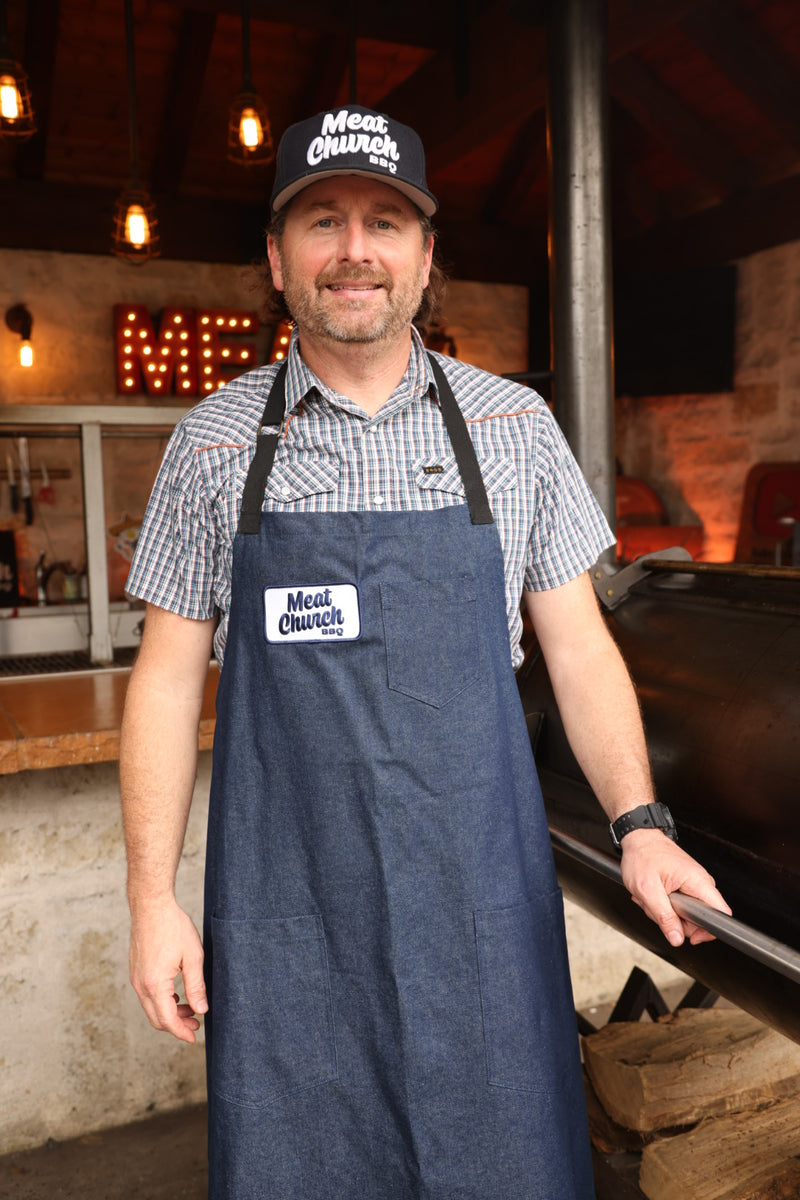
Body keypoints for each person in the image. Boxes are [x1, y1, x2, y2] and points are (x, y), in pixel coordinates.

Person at [120, 104, 730, 1200]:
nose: (354, 248)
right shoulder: (212, 441)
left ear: (425, 254)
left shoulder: (511, 428)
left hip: (481, 911)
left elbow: (580, 651)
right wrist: (151, 901)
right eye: (321, 219)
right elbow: (164, 683)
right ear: (275, 255)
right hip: (287, 914)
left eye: (385, 220)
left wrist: (640, 826)